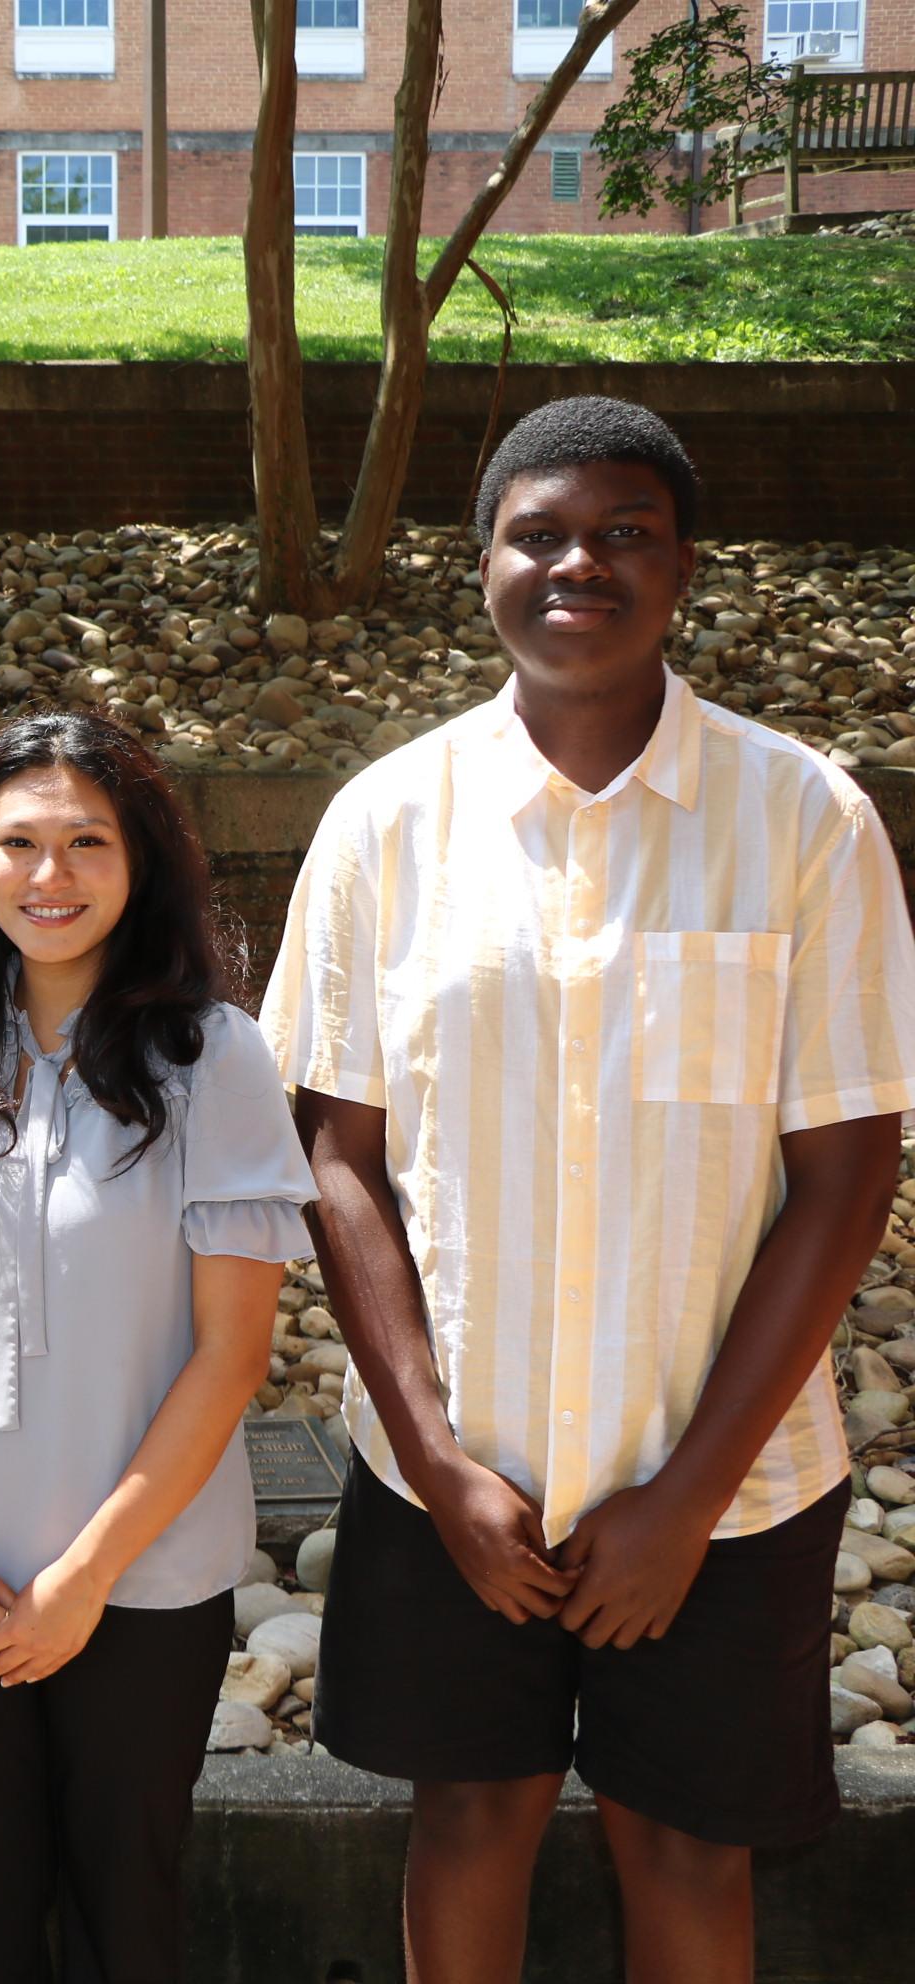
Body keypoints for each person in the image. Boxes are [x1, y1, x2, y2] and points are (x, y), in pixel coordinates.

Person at [263, 397, 915, 1982]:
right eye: (538, 532)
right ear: (482, 564)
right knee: (470, 1821)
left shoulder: (803, 819)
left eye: (624, 531)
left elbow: (846, 1175)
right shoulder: (386, 824)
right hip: (454, 1484)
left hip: (729, 1486)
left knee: (690, 1847)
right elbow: (336, 1160)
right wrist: (433, 1458)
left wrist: (687, 1497)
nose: (580, 561)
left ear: (683, 567)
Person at [0, 710, 311, 1982]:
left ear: (141, 862)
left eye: (85, 842)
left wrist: (83, 1581)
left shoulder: (211, 1059)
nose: (49, 875)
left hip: (146, 1581)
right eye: (18, 843)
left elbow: (231, 1356)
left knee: (130, 1915)